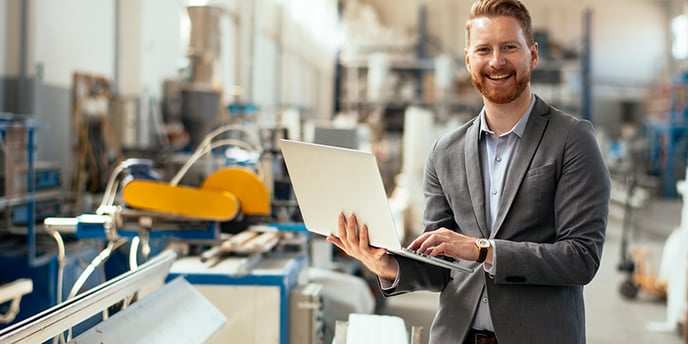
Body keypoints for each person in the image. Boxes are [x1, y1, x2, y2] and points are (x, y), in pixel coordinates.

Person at [326, 0, 611, 343]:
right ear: (468, 60)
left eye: (509, 47)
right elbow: (441, 267)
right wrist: (385, 265)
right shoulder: (445, 151)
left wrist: (483, 249)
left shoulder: (572, 139)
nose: (496, 61)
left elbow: (581, 258)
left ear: (532, 55)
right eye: (484, 49)